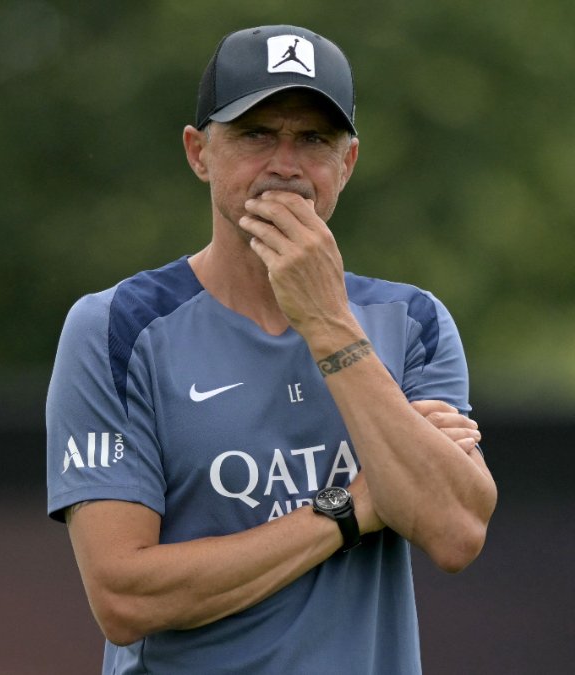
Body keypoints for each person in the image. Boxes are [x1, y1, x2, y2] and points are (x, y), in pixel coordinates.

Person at [45, 24, 495, 673]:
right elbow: (123, 593)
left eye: (314, 138)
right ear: (200, 152)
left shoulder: (412, 321)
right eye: (257, 133)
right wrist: (354, 507)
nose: (286, 163)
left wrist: (327, 322)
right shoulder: (116, 327)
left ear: (347, 163)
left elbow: (455, 531)